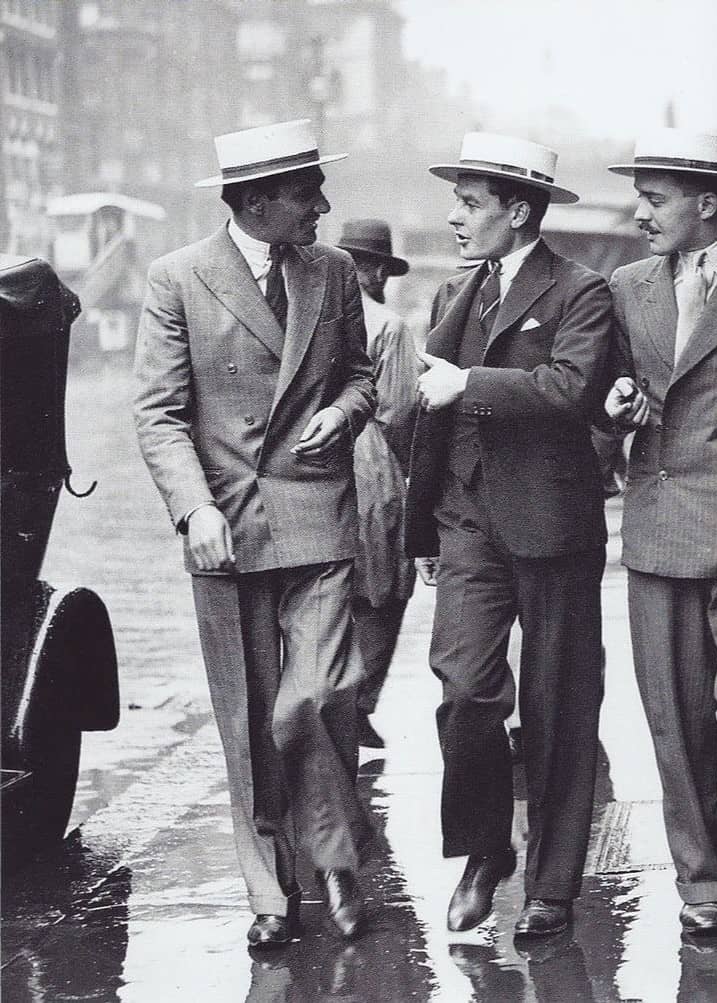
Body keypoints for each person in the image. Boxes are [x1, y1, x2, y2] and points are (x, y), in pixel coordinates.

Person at [133, 119, 377, 948]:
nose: (323, 205)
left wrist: (342, 417)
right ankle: (273, 894)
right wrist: (193, 507)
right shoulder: (176, 279)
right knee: (244, 718)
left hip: (316, 513)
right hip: (224, 526)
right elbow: (160, 415)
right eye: (308, 192)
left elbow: (359, 376)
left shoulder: (335, 272)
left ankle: (336, 855)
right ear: (260, 200)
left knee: (315, 696)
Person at [405, 131, 612, 937]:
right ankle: (486, 848)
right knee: (464, 692)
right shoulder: (454, 295)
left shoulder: (580, 291)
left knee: (561, 706)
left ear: (517, 211)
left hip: (553, 525)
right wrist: (426, 524)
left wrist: (471, 384)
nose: (455, 216)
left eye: (470, 203)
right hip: (468, 525)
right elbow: (429, 422)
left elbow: (569, 389)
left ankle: (552, 888)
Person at [604, 127, 717, 935]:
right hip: (657, 528)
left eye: (652, 199)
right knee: (675, 719)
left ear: (705, 202)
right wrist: (615, 405)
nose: (638, 213)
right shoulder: (628, 286)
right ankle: (701, 887)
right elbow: (605, 391)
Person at [336, 219, 419, 749]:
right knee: (386, 583)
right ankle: (360, 701)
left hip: (314, 456)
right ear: (368, 270)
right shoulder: (387, 324)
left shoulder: (305, 313)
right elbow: (400, 409)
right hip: (371, 458)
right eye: (379, 269)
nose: (383, 279)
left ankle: (331, 697)